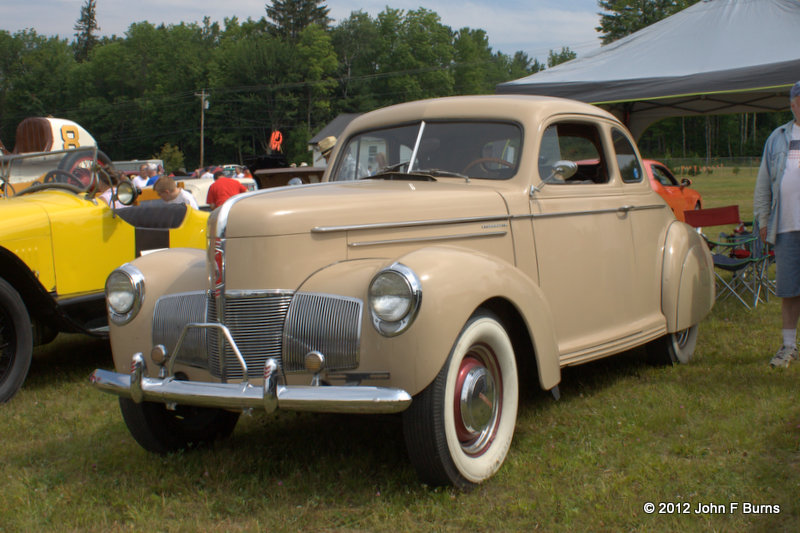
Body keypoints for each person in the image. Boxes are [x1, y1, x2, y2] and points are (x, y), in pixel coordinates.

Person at [754, 80, 800, 368]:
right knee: (789, 290)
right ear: (792, 104)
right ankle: (788, 347)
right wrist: (762, 218)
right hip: (785, 226)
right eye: (799, 101)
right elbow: (763, 184)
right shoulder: (778, 137)